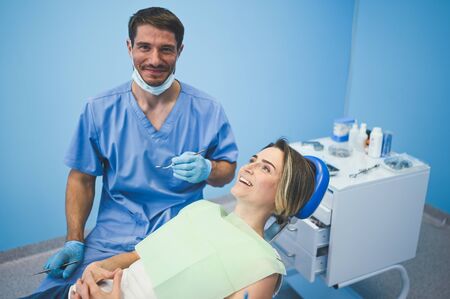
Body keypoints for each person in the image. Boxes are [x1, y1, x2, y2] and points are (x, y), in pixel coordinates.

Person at [36, 7, 238, 293]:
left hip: (179, 234)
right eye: (144, 47)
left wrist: (209, 169)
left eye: (166, 49)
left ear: (180, 50)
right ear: (129, 47)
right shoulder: (99, 109)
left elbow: (226, 171)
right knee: (64, 290)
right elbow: (81, 178)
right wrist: (74, 240)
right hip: (114, 232)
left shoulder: (208, 109)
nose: (154, 60)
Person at [26, 139, 316, 299]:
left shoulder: (263, 268)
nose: (250, 167)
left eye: (265, 168)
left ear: (284, 197)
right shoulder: (201, 211)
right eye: (253, 159)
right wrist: (97, 267)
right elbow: (137, 256)